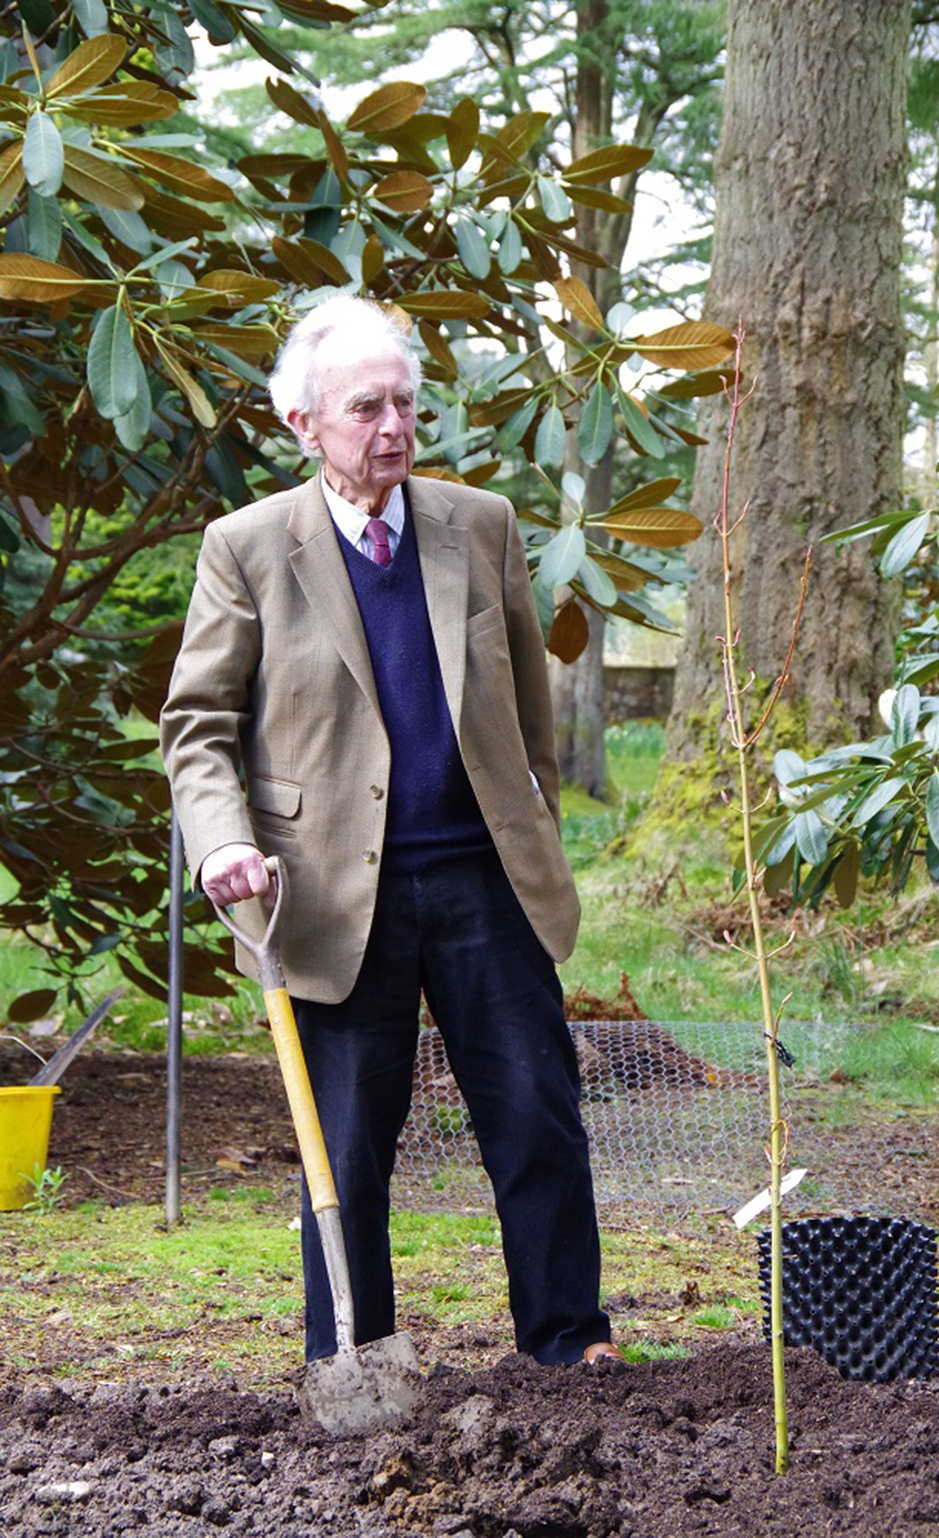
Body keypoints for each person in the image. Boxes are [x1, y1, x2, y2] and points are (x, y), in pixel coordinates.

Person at [160, 293, 624, 1368]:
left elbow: (524, 712)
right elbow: (196, 723)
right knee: (349, 1150)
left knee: (537, 1123)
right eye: (366, 406)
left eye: (405, 404)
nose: (394, 427)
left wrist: (537, 831)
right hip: (325, 894)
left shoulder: (482, 522)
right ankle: (356, 1357)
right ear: (303, 424)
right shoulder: (247, 548)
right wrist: (222, 838)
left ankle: (566, 1339)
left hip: (483, 880)